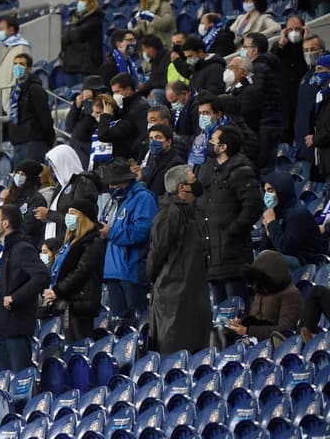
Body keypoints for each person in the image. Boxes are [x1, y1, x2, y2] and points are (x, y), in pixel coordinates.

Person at [147, 165, 212, 354]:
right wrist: (155, 279)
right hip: (173, 293)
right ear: (183, 188)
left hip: (190, 292)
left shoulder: (190, 211)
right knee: (174, 352)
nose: (198, 183)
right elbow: (157, 253)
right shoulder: (170, 213)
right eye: (193, 180)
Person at [0, 206, 49, 372]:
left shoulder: (22, 248)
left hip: (16, 323)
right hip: (1, 323)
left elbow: (42, 276)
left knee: (19, 376)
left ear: (5, 223)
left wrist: (15, 297)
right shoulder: (2, 248)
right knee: (6, 376)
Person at [199, 125, 263, 303]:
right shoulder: (216, 172)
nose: (209, 143)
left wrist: (232, 230)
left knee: (236, 310)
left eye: (213, 140)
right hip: (214, 254)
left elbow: (254, 207)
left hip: (232, 253)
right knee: (220, 317)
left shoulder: (240, 170)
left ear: (223, 147)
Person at [42, 199, 105, 340]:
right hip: (69, 302)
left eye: (73, 213)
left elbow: (81, 271)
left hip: (81, 302)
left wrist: (58, 290)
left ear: (84, 217)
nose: (68, 217)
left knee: (79, 345)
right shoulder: (71, 241)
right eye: (68, 213)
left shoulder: (93, 242)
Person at [101, 164, 156, 326]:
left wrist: (110, 232)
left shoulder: (144, 198)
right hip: (113, 270)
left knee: (137, 324)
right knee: (118, 326)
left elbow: (141, 232)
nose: (111, 187)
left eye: (115, 183)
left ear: (126, 181)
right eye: (110, 184)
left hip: (132, 270)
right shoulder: (113, 201)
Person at [216, 251, 302, 346]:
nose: (255, 286)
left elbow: (285, 329)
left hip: (273, 346)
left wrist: (247, 331)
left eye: (258, 280)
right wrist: (240, 322)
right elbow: (255, 318)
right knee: (219, 331)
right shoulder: (261, 292)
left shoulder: (291, 294)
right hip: (253, 341)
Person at [260, 171, 325, 267]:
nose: (267, 195)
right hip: (289, 256)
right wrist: (268, 233)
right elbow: (266, 248)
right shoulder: (275, 210)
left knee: (269, 260)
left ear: (282, 191)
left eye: (270, 190)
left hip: (307, 261)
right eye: (265, 191)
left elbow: (286, 248)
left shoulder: (297, 214)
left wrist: (272, 223)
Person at [7, 53, 52, 165]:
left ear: (29, 68)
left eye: (21, 64)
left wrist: (49, 139)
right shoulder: (14, 91)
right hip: (18, 142)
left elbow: (45, 116)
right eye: (15, 64)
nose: (17, 66)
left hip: (33, 142)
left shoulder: (35, 89)